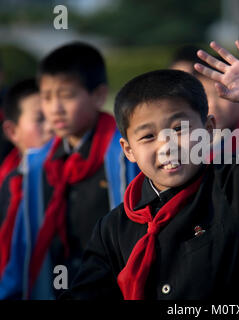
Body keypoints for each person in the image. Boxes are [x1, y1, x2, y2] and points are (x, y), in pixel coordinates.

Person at [60, 40, 239, 300]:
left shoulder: (235, 189)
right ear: (128, 150)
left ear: (209, 128)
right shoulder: (113, 228)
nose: (166, 146)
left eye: (179, 129)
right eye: (148, 136)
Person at [0, 42, 138, 300]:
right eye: (47, 97)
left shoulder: (127, 155)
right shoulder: (37, 165)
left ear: (98, 95)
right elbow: (21, 248)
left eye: (67, 95)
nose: (55, 108)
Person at [0, 78, 53, 286]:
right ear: (12, 131)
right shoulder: (9, 184)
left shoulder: (72, 178)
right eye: (40, 119)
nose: (51, 127)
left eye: (53, 117)